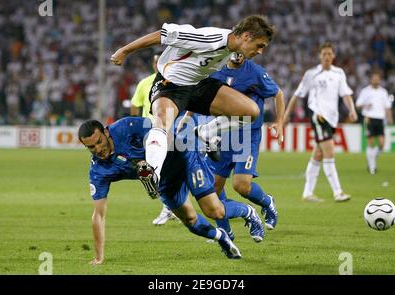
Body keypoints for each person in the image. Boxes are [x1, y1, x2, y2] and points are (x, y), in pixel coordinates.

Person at [111, 15, 276, 198]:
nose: (260, 51)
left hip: (199, 85)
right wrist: (124, 51)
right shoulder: (209, 39)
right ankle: (152, 173)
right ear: (246, 36)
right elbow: (163, 34)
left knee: (250, 111)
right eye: (260, 45)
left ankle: (206, 132)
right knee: (161, 125)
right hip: (171, 84)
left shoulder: (234, 49)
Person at [78, 117, 265, 264]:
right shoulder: (99, 171)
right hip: (165, 183)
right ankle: (221, 237)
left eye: (99, 142)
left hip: (184, 159)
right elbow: (99, 215)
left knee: (214, 211)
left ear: (106, 132)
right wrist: (99, 256)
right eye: (90, 147)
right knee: (191, 221)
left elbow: (162, 134)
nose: (97, 149)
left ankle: (249, 212)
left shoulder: (127, 126)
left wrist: (151, 162)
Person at [179, 53, 284, 238]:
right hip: (223, 135)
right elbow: (201, 95)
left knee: (241, 186)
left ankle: (267, 202)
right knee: (214, 190)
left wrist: (280, 121)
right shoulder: (216, 70)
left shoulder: (255, 72)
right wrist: (187, 117)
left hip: (247, 134)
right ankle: (225, 232)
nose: (238, 54)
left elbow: (277, 93)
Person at [284, 42, 358, 203]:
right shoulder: (311, 74)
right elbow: (297, 95)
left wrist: (352, 109)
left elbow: (345, 95)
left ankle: (307, 193)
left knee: (318, 154)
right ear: (319, 56)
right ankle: (338, 192)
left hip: (332, 119)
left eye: (329, 54)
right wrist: (287, 115)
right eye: (324, 54)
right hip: (318, 117)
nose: (327, 57)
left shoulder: (339, 73)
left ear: (334, 56)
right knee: (329, 152)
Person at [130, 53, 177, 225]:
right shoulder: (144, 83)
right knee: (157, 170)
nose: (158, 64)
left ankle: (170, 207)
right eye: (155, 61)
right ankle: (170, 207)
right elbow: (135, 106)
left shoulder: (176, 80)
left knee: (166, 170)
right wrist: (136, 128)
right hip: (148, 133)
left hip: (168, 130)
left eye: (160, 61)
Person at [355, 72, 393, 174]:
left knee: (382, 144)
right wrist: (365, 105)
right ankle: (372, 166)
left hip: (380, 118)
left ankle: (372, 160)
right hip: (369, 118)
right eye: (374, 78)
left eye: (377, 79)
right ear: (370, 80)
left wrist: (390, 118)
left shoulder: (383, 92)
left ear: (380, 80)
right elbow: (357, 105)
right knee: (370, 143)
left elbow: (387, 107)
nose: (376, 80)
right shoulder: (365, 91)